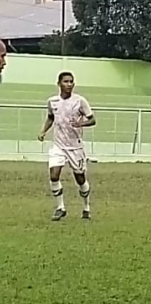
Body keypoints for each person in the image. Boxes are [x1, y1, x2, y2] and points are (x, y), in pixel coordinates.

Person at [38, 72, 96, 221]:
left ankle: (86, 207)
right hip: (58, 146)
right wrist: (43, 131)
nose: (69, 84)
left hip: (75, 147)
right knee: (54, 175)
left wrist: (81, 123)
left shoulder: (80, 101)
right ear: (59, 84)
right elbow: (51, 117)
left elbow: (92, 120)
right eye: (66, 81)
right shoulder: (52, 101)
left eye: (71, 82)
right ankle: (60, 208)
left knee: (80, 178)